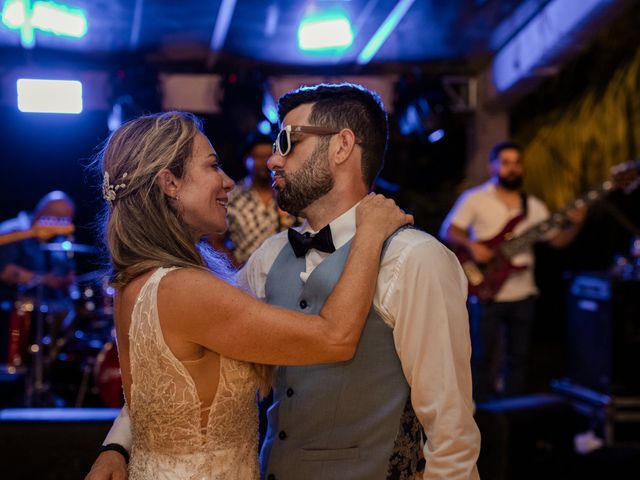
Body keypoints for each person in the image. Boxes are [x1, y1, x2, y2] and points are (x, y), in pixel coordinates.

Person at [90, 84, 480, 480]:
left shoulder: (414, 258)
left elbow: (451, 432)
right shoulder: (267, 257)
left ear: (342, 146)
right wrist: (118, 445)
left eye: (286, 141)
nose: (272, 159)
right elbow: (173, 372)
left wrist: (117, 445)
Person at [439, 141, 586, 402]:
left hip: (524, 292)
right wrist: (473, 246)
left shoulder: (534, 206)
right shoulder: (475, 198)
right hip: (485, 290)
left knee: (518, 359)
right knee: (480, 357)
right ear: (493, 166)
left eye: (517, 163)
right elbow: (449, 230)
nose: (512, 168)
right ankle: (480, 415)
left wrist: (575, 224)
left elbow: (557, 241)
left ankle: (512, 417)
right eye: (506, 163)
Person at [0, 191, 76, 371]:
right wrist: (43, 280)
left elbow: (67, 270)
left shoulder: (58, 239)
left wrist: (67, 280)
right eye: (63, 220)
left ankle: (51, 368)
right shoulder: (13, 232)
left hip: (52, 307)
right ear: (47, 216)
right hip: (14, 309)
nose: (67, 226)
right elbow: (4, 271)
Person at [208, 133, 299, 267]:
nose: (264, 162)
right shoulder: (231, 196)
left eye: (268, 157)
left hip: (285, 272)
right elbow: (214, 240)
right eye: (258, 157)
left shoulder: (287, 194)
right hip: (245, 278)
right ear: (247, 160)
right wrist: (238, 268)